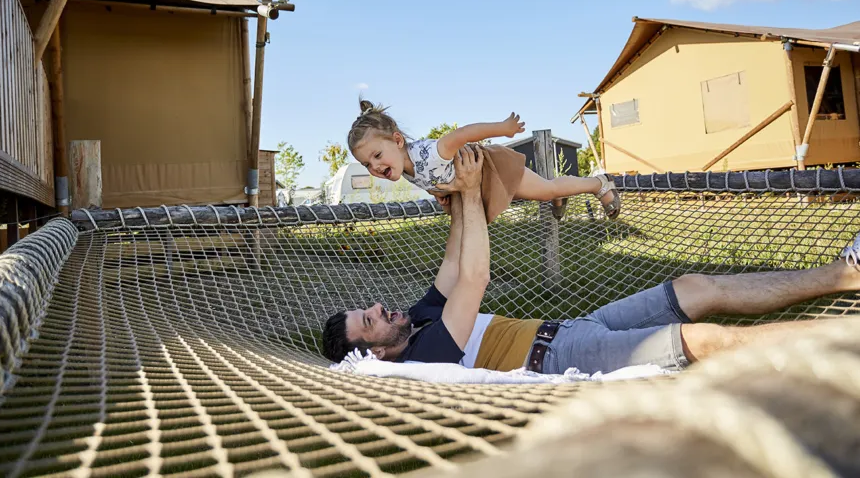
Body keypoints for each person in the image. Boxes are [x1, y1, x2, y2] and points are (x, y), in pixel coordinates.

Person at [322, 145, 860, 374]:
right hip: (561, 357)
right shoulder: (427, 356)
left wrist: (463, 194)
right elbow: (475, 277)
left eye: (368, 309)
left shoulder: (416, 321)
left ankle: (846, 273)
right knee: (703, 340)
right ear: (374, 355)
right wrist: (464, 192)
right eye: (368, 321)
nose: (378, 308)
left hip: (570, 326)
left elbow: (453, 263)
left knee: (695, 287)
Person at [346, 100, 620, 222]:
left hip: (491, 168)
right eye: (368, 164)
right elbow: (436, 180)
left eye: (377, 155)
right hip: (476, 182)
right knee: (545, 189)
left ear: (397, 141)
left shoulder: (426, 153)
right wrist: (443, 192)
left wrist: (503, 128)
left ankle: (598, 184)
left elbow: (462, 134)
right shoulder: (405, 169)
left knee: (546, 189)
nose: (375, 167)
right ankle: (559, 194)